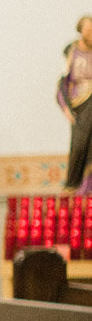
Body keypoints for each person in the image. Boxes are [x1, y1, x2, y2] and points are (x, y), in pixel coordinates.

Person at [58, 16, 92, 192]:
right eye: (88, 31)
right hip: (80, 104)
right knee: (79, 144)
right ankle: (73, 184)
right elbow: (62, 82)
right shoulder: (71, 51)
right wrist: (65, 107)